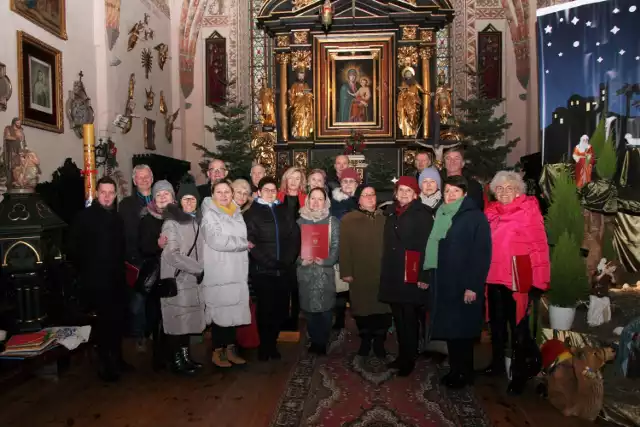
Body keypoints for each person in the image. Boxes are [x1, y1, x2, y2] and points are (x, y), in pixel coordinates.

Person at [483, 171, 549, 394]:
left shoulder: (528, 211)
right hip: (493, 277)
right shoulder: (490, 212)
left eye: (509, 188)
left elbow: (539, 246)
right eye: (499, 189)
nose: (503, 192)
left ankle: (520, 373)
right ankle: (497, 364)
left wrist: (539, 282)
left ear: (518, 191)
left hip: (517, 279)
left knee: (518, 327)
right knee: (497, 325)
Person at [423, 176, 491, 389]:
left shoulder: (475, 217)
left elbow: (481, 254)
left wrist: (473, 286)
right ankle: (456, 370)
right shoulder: (441, 213)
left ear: (464, 194)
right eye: (447, 191)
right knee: (452, 331)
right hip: (444, 281)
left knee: (462, 332)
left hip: (463, 284)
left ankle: (464, 373)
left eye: (455, 191)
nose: (450, 195)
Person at [69, 176, 130, 382]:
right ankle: (106, 365)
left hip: (117, 280)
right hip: (96, 281)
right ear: (96, 193)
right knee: (104, 325)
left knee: (118, 322)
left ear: (115, 195)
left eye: (111, 193)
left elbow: (121, 249)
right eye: (103, 192)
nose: (107, 196)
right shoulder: (83, 217)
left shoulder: (118, 218)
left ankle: (118, 358)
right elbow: (74, 250)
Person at [378, 176, 433, 376]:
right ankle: (402, 355)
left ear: (415, 194)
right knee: (399, 319)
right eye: (400, 190)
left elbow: (428, 247)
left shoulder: (423, 215)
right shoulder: (392, 213)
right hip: (394, 273)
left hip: (412, 274)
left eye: (408, 191)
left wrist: (424, 275)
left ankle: (409, 359)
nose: (404, 194)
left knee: (409, 319)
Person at [244, 177, 301, 360]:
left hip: (284, 269)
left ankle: (273, 343)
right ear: (259, 192)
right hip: (263, 270)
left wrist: (288, 259)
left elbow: (294, 236)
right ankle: (265, 346)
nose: (270, 192)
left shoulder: (284, 210)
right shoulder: (252, 213)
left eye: (273, 189)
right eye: (266, 189)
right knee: (266, 309)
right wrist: (269, 262)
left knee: (280, 309)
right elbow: (250, 242)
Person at [201, 180, 251, 368]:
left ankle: (230, 349)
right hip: (220, 270)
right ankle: (217, 351)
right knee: (220, 312)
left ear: (232, 194)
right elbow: (215, 240)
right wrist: (242, 243)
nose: (223, 196)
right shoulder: (209, 214)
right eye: (219, 192)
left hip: (236, 269)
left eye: (227, 192)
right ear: (213, 195)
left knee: (233, 311)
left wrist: (241, 242)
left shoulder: (236, 213)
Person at [160, 182, 205, 375]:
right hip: (178, 280)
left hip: (192, 281)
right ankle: (175, 360)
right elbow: (172, 254)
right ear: (179, 201)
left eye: (192, 199)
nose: (189, 203)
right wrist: (197, 269)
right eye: (185, 199)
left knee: (187, 323)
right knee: (177, 322)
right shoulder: (172, 223)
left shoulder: (195, 221)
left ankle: (186, 358)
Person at [340, 186, 391, 358]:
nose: (369, 198)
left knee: (382, 309)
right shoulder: (348, 219)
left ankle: (379, 341)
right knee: (362, 308)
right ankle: (365, 339)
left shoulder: (385, 218)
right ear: (358, 199)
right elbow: (344, 248)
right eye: (365, 195)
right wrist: (346, 271)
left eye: (372, 194)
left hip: (383, 272)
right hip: (359, 271)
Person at [297, 188, 340, 355]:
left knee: (325, 310)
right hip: (305, 272)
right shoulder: (299, 222)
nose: (316, 202)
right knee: (309, 310)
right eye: (312, 198)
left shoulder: (332, 222)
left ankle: (322, 341)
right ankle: (315, 340)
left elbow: (336, 246)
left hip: (325, 272)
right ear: (308, 201)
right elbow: (292, 248)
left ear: (326, 201)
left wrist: (327, 260)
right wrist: (301, 260)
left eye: (320, 199)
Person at [139, 180, 175, 370]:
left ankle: (174, 353)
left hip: (176, 273)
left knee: (174, 314)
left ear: (173, 197)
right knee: (157, 316)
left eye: (166, 194)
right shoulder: (147, 218)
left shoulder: (179, 217)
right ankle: (159, 358)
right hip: (157, 274)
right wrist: (158, 246)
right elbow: (143, 247)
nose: (162, 197)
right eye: (159, 195)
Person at [119, 164, 154, 351]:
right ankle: (140, 335)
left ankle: (155, 333)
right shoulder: (126, 204)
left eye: (146, 176)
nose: (144, 180)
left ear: (152, 178)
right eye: (140, 177)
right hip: (137, 259)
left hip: (157, 258)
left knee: (156, 299)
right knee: (137, 302)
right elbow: (125, 233)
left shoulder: (161, 199)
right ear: (134, 181)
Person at [277, 167, 307, 331]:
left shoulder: (306, 199)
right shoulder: (277, 197)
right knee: (282, 287)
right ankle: (281, 321)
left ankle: (293, 322)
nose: (294, 181)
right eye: (291, 178)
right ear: (285, 180)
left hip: (301, 248)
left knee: (296, 287)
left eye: (297, 178)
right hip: (281, 249)